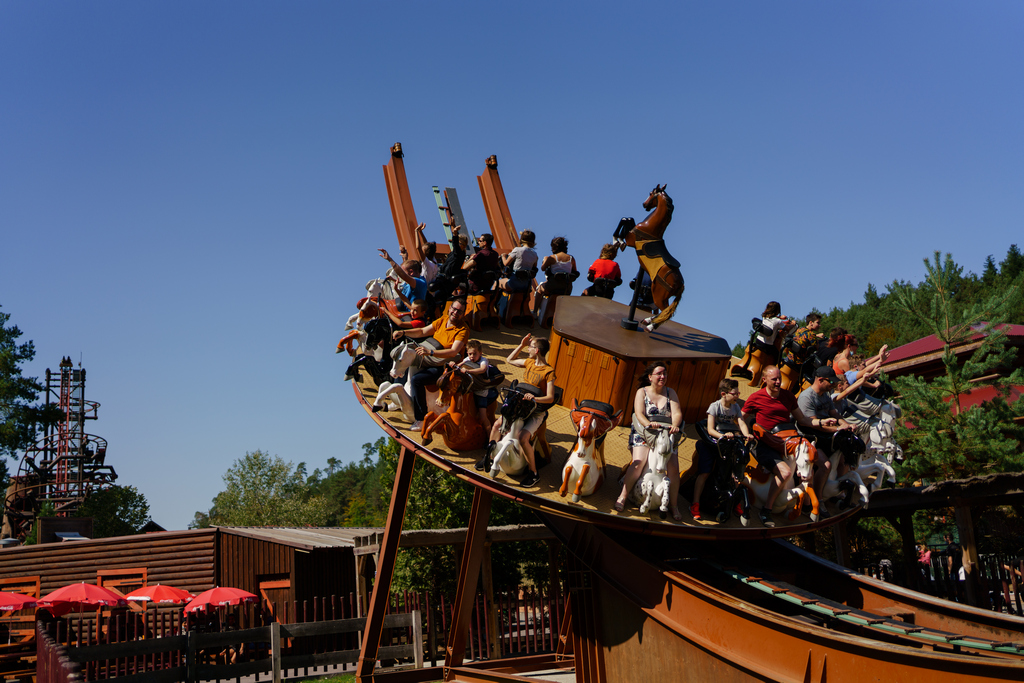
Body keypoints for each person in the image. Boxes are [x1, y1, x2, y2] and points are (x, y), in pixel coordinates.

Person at [741, 365, 818, 527]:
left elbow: (803, 420)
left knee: (808, 461)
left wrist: (822, 422)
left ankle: (809, 505)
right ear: (764, 380)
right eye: (774, 379)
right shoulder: (756, 397)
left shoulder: (788, 397)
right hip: (766, 444)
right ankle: (766, 510)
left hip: (786, 442)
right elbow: (740, 417)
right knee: (785, 471)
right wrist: (744, 433)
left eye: (779, 379)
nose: (778, 382)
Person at [614, 361, 684, 521]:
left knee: (673, 467)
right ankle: (623, 496)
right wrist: (648, 424)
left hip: (665, 433)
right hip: (645, 431)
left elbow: (677, 413)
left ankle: (673, 505)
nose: (663, 376)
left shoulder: (670, 392)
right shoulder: (642, 392)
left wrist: (674, 425)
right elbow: (639, 413)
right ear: (650, 376)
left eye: (664, 373)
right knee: (639, 462)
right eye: (659, 373)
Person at [486, 334, 554, 488]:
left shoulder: (548, 371)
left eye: (530, 346)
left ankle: (533, 473)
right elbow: (509, 360)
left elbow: (550, 398)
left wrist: (535, 399)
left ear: (536, 350)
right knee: (497, 424)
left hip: (536, 410)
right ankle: (489, 458)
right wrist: (521, 345)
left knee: (523, 437)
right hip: (520, 405)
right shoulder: (529, 362)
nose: (528, 349)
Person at [392, 298, 470, 431]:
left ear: (463, 314)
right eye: (454, 309)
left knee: (417, 380)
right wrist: (403, 332)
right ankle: (401, 399)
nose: (456, 313)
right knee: (406, 359)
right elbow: (422, 332)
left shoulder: (463, 329)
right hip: (431, 358)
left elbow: (453, 351)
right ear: (450, 308)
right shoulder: (443, 319)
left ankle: (421, 419)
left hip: (445, 366)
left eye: (460, 311)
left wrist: (431, 352)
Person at [691, 378, 754, 521]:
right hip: (713, 443)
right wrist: (723, 436)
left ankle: (736, 501)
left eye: (738, 393)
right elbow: (711, 429)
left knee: (735, 472)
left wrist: (746, 434)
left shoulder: (736, 407)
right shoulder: (715, 407)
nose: (737, 396)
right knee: (705, 473)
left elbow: (742, 423)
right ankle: (695, 503)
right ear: (724, 394)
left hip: (727, 444)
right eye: (735, 393)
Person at [796, 366, 855, 503]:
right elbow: (813, 425)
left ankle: (838, 491)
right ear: (821, 380)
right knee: (826, 465)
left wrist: (846, 424)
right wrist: (837, 429)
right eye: (831, 382)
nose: (833, 385)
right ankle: (819, 499)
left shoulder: (826, 395)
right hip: (810, 436)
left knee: (844, 458)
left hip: (826, 434)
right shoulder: (807, 397)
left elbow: (834, 414)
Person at [456, 339, 499, 427]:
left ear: (480, 353)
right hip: (471, 387)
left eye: (474, 354)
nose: (471, 356)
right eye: (469, 354)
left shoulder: (483, 360)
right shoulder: (467, 359)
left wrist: (468, 370)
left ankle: (489, 435)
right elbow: (459, 365)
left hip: (481, 389)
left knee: (482, 418)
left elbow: (482, 369)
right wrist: (454, 365)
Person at [534, 236, 578, 312]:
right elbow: (574, 271)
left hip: (553, 287)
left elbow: (542, 268)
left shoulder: (552, 258)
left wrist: (545, 259)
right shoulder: (571, 258)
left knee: (539, 289)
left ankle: (535, 312)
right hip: (566, 288)